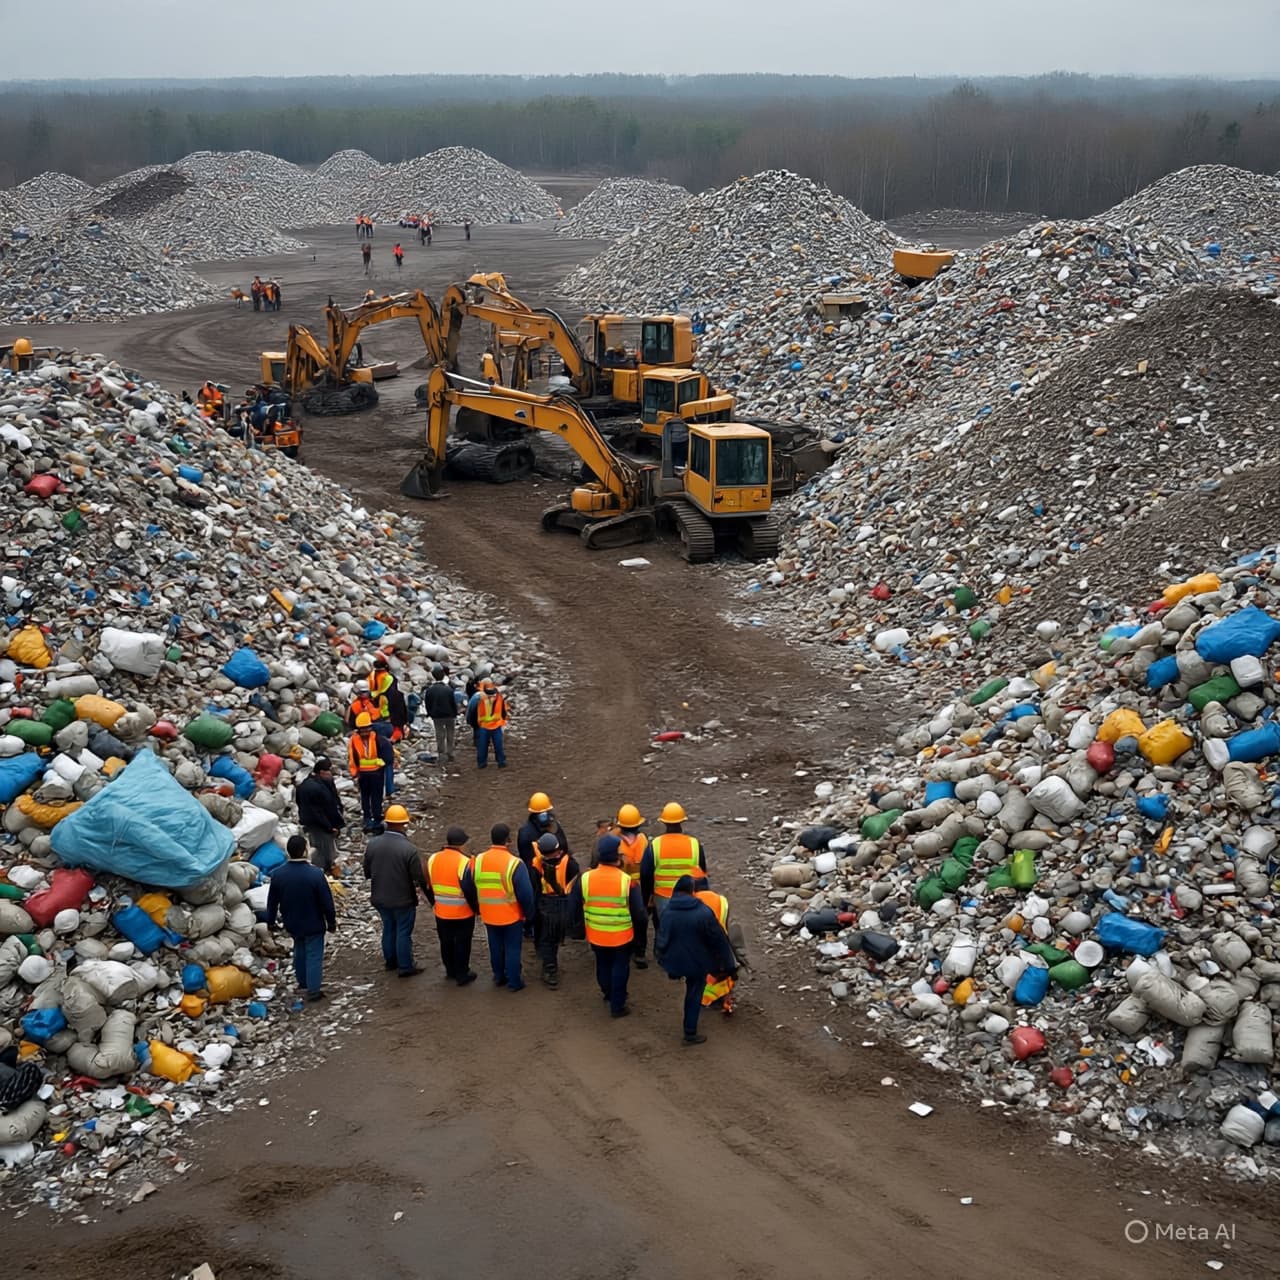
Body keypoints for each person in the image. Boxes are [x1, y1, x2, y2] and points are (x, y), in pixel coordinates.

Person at [569, 836, 647, 1018]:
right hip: (621, 936)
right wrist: (640, 936)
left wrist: (578, 929)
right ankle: (617, 1005)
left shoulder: (585, 878)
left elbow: (573, 907)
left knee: (602, 964)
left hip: (596, 934)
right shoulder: (627, 881)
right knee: (620, 967)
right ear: (617, 857)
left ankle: (607, 993)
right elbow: (639, 913)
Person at [655, 875, 738, 1045]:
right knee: (693, 994)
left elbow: (661, 938)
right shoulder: (703, 912)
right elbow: (719, 941)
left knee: (690, 986)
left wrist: (662, 958)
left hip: (675, 960)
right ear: (692, 892)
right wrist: (730, 967)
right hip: (698, 963)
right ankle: (690, 1033)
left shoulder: (667, 911)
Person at [462, 824, 534, 991]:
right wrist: (529, 914)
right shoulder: (515, 863)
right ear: (508, 840)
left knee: (495, 946)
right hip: (511, 915)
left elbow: (467, 883)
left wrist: (477, 906)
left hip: (488, 913)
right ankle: (514, 982)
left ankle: (499, 976)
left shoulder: (478, 860)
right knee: (512, 948)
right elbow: (526, 894)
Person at [267, 834, 337, 1002]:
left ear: (288, 852)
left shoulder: (278, 875)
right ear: (305, 850)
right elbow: (326, 901)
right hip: (314, 922)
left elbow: (272, 901)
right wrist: (331, 921)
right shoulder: (315, 874)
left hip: (292, 922)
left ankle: (303, 982)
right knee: (314, 955)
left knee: (299, 950)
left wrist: (270, 921)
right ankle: (313, 990)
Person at [364, 804, 427, 976]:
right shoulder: (409, 849)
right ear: (403, 824)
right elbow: (418, 877)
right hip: (402, 899)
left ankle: (390, 962)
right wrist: (430, 897)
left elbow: (367, 872)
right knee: (403, 931)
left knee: (388, 927)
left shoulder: (372, 845)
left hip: (380, 897)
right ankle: (405, 966)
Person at [424, 826, 477, 986]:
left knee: (446, 941)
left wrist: (434, 902)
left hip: (441, 911)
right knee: (462, 943)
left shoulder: (433, 859)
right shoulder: (465, 862)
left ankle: (450, 970)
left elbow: (426, 883)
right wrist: (476, 908)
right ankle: (462, 974)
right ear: (462, 844)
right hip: (462, 912)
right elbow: (469, 889)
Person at [691, 874, 748, 1016]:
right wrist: (739, 955)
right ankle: (723, 999)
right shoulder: (722, 901)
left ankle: (705, 999)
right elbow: (733, 928)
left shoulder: (692, 902)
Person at [641, 802, 706, 925]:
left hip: (662, 898)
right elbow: (702, 876)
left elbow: (645, 875)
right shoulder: (694, 844)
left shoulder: (655, 845)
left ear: (664, 823)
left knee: (663, 930)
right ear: (682, 821)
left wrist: (646, 901)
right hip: (689, 898)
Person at [530, 831, 580, 988]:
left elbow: (534, 887)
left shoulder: (537, 864)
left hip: (547, 905)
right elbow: (576, 888)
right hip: (565, 905)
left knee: (547, 941)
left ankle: (550, 972)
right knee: (556, 936)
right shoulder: (570, 863)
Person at [610, 805, 650, 968]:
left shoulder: (618, 842)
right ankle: (635, 951)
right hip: (628, 887)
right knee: (635, 919)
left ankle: (636, 951)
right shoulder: (641, 840)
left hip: (630, 888)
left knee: (637, 919)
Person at [296, 757, 344, 874]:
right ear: (322, 772)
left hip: (322, 823)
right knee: (322, 851)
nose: (331, 774)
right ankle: (322, 872)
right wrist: (329, 826)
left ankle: (326, 869)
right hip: (319, 826)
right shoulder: (313, 788)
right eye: (329, 771)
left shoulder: (322, 782)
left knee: (326, 849)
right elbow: (317, 812)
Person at [348, 711, 385, 833]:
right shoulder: (354, 740)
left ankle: (377, 818)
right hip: (363, 774)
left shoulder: (376, 738)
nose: (365, 731)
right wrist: (354, 772)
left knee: (376, 797)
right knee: (365, 797)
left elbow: (383, 752)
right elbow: (352, 756)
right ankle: (368, 818)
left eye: (366, 728)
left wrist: (383, 764)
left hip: (376, 773)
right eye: (362, 729)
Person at [516, 792, 573, 868]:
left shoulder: (554, 826)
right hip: (540, 869)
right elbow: (527, 861)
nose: (546, 815)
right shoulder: (526, 834)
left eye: (547, 812)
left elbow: (564, 847)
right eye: (543, 814)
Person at [422, 664, 459, 765]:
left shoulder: (430, 690)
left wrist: (430, 713)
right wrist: (455, 713)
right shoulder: (448, 689)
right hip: (449, 715)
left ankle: (441, 752)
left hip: (437, 716)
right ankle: (450, 752)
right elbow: (453, 703)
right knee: (450, 733)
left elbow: (428, 704)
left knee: (439, 734)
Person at [468, 677, 508, 769]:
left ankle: (495, 762)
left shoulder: (480, 699)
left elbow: (472, 713)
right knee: (489, 746)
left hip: (489, 726)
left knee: (491, 746)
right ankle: (492, 762)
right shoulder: (481, 699)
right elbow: (473, 714)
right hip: (488, 726)